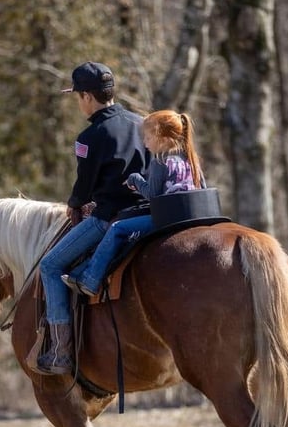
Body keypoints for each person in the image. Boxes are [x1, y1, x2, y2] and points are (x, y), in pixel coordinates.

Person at [35, 62, 149, 375]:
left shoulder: (89, 137)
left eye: (77, 96)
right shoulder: (142, 124)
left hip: (108, 218)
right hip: (149, 214)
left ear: (87, 97)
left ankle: (60, 351)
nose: (77, 102)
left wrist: (74, 204)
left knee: (50, 265)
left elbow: (84, 188)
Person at [62, 110, 205, 297]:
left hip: (167, 219)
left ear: (162, 138)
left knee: (118, 229)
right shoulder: (191, 160)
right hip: (191, 216)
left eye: (147, 137)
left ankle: (90, 279)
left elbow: (152, 195)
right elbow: (202, 188)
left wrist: (135, 179)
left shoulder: (160, 162)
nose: (145, 143)